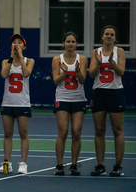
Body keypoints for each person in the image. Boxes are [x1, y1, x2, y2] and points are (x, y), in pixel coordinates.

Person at [89, 25, 126, 177]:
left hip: (115, 93)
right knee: (99, 130)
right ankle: (100, 164)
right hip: (99, 93)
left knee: (117, 130)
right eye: (106, 34)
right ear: (102, 36)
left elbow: (121, 72)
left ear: (115, 37)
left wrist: (112, 62)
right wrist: (98, 63)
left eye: (112, 34)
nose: (109, 36)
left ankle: (118, 165)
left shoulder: (119, 52)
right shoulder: (95, 52)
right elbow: (91, 74)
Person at [0, 34, 34, 174]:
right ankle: (7, 163)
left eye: (19, 43)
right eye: (14, 43)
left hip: (22, 103)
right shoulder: (6, 61)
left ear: (23, 46)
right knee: (7, 133)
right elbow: (4, 75)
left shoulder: (29, 60)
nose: (16, 45)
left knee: (23, 133)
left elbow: (26, 73)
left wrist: (21, 57)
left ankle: (23, 163)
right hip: (8, 102)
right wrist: (12, 57)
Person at [51, 31, 88, 175]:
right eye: (68, 41)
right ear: (63, 43)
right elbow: (56, 80)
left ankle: (73, 164)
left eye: (73, 42)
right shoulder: (57, 59)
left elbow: (83, 80)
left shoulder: (83, 59)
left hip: (78, 98)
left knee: (76, 133)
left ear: (76, 43)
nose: (70, 44)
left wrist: (78, 70)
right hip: (63, 98)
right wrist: (64, 72)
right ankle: (59, 165)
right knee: (63, 132)